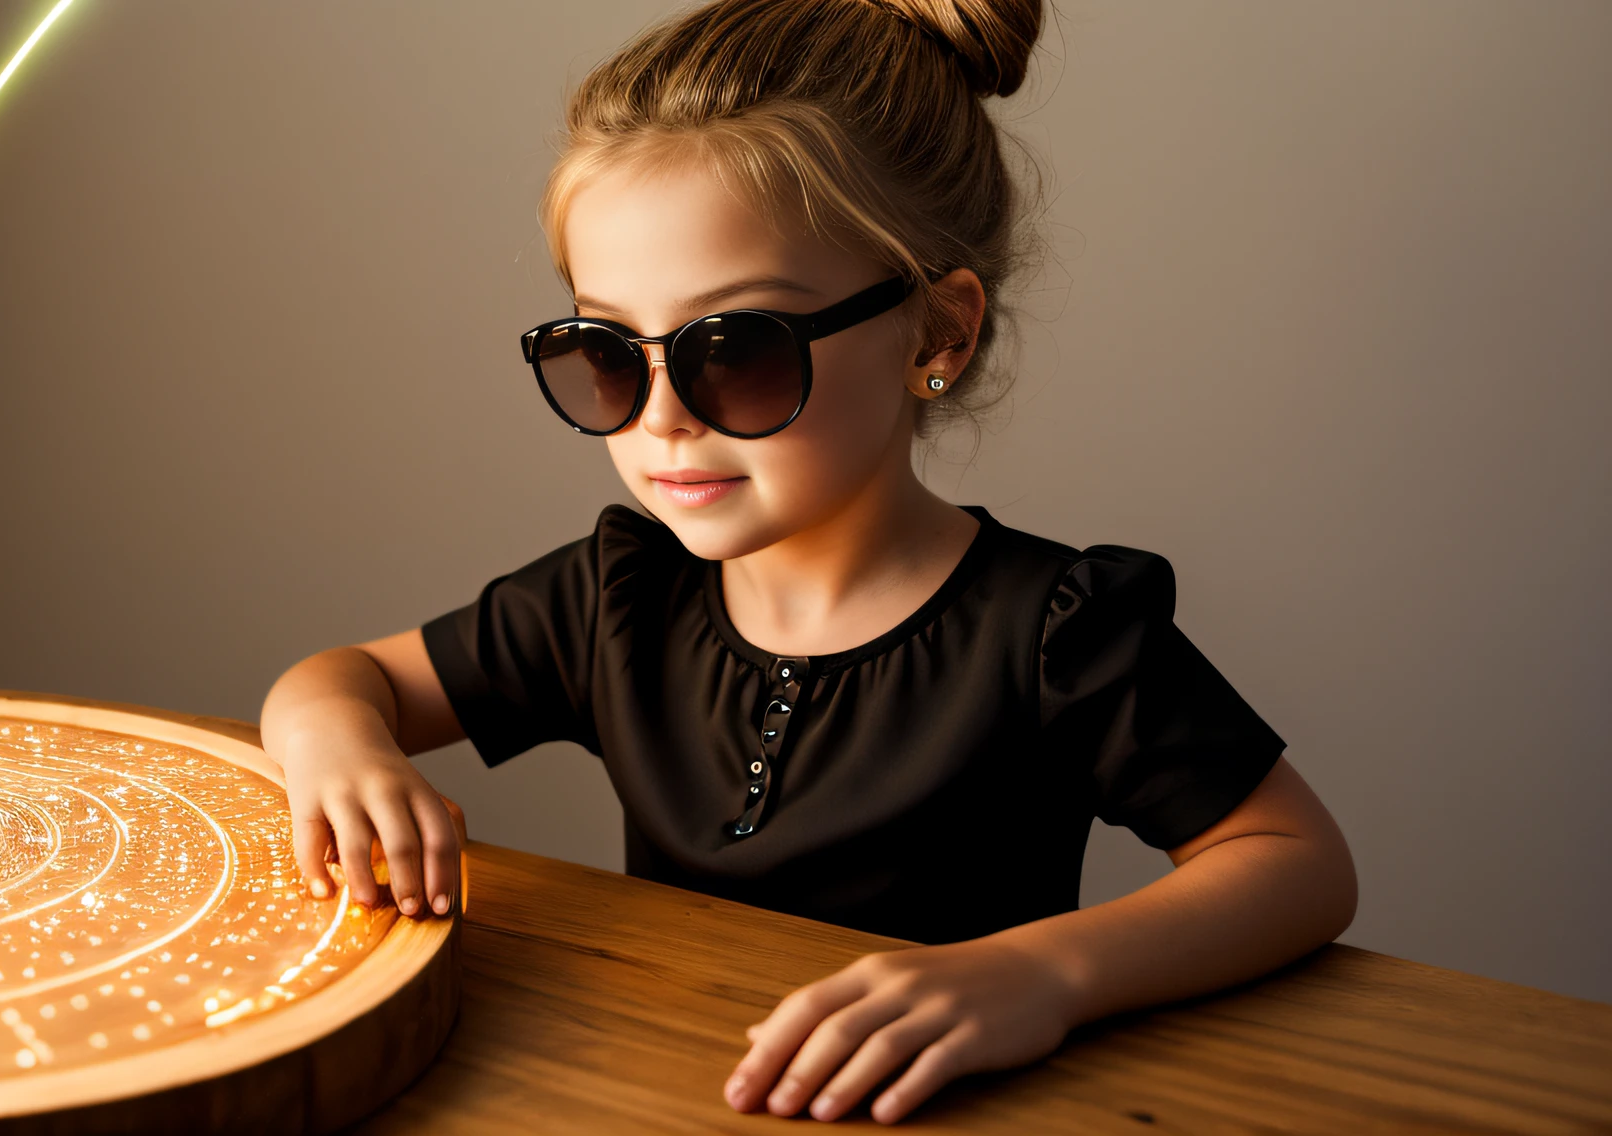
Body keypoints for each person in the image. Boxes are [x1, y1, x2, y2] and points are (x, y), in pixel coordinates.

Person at [259, 0, 1357, 1123]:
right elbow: (342, 680)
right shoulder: (614, 597)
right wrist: (335, 742)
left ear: (936, 333)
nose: (663, 421)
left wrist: (1039, 972)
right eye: (604, 353)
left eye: (733, 349)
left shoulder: (1055, 630)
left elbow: (1295, 861)